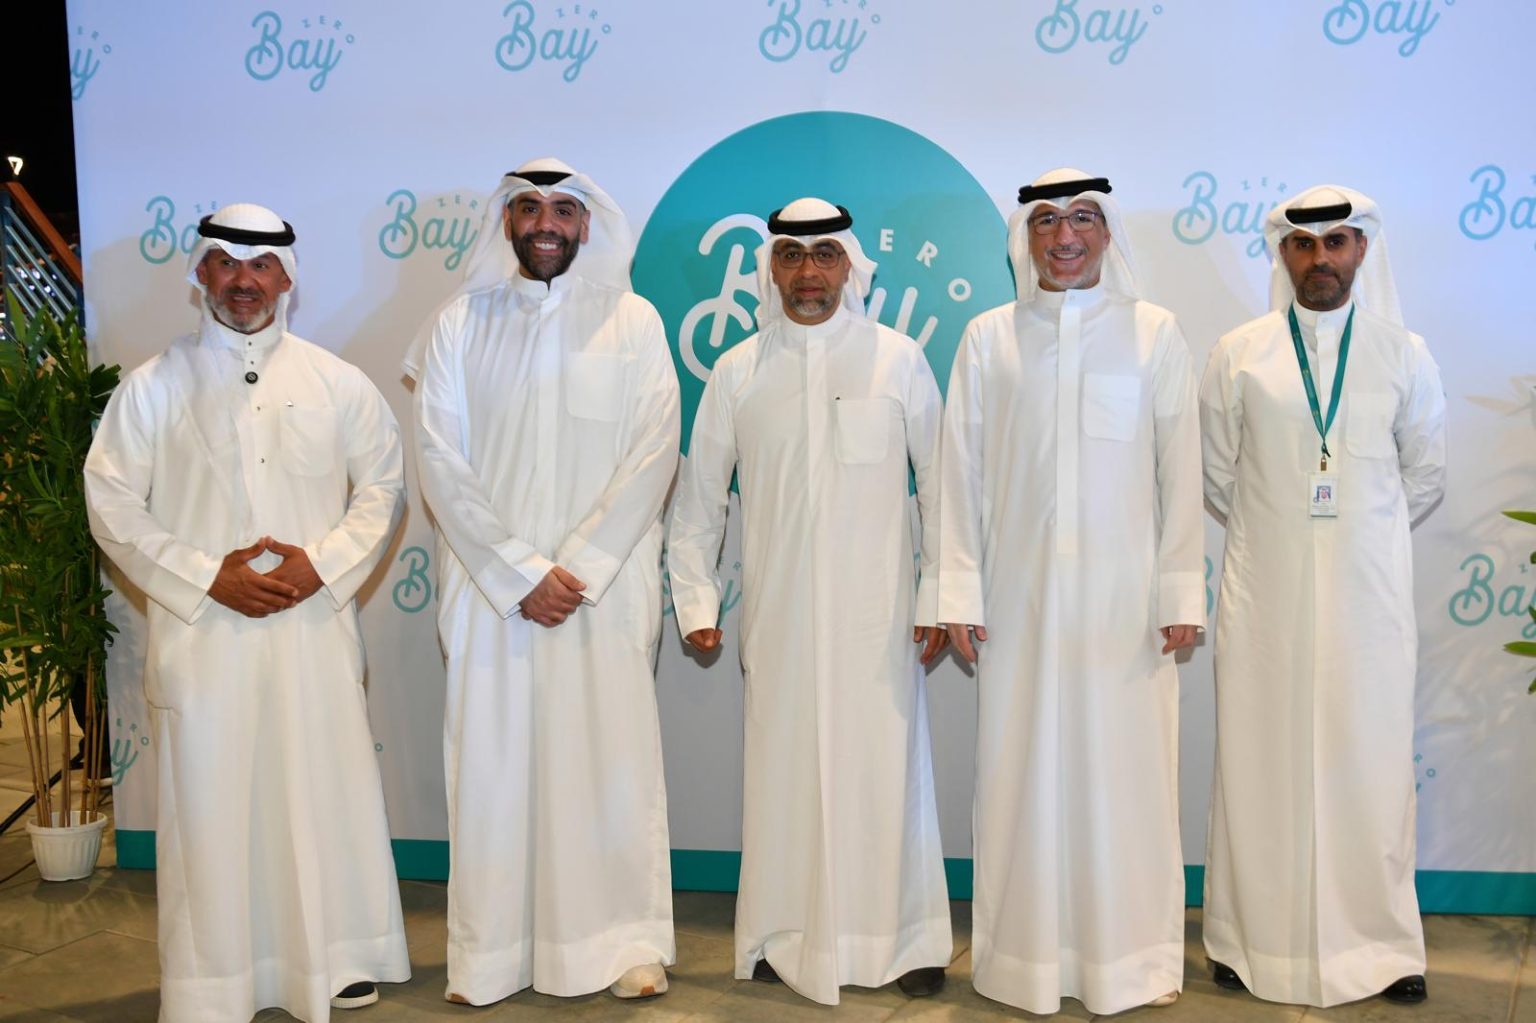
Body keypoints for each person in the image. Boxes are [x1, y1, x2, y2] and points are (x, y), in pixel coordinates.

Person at [84, 203, 410, 1021]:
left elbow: (383, 487)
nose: (243, 280)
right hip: (205, 637)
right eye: (226, 263)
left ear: (286, 277)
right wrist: (206, 577)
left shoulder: (338, 382)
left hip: (311, 627)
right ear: (200, 272)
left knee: (322, 790)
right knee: (213, 804)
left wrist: (320, 564)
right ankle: (215, 984)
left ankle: (337, 958)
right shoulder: (150, 387)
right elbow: (111, 504)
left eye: (260, 265)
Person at [406, 158, 680, 1006]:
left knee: (609, 766)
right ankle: (490, 956)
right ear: (508, 221)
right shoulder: (458, 324)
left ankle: (625, 945)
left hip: (601, 591)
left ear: (587, 224)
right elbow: (439, 459)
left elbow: (654, 451)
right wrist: (519, 572)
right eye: (529, 208)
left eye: (563, 209)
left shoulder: (634, 321)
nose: (546, 223)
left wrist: (578, 568)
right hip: (492, 593)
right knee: (494, 770)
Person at [667, 198, 952, 1006]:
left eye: (825, 255)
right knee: (784, 775)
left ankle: (901, 940)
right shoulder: (737, 370)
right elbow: (698, 501)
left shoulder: (899, 360)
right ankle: (779, 936)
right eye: (792, 256)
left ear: (849, 265)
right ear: (772, 268)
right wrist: (696, 599)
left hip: (879, 617)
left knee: (884, 773)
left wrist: (940, 590)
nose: (808, 273)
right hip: (781, 615)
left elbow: (942, 485)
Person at [938, 169, 1204, 1015]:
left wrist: (1180, 592)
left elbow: (1182, 473)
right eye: (1047, 221)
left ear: (1108, 231)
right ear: (1026, 237)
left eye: (1083, 219)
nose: (1065, 237)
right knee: (1021, 776)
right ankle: (1023, 961)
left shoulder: (1155, 333)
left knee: (1126, 779)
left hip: (1127, 608)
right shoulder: (988, 338)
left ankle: (1131, 961)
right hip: (1016, 602)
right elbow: (957, 473)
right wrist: (957, 590)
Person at [1199, 185, 1446, 1008]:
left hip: (1368, 601)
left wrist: (1354, 539)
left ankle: (1383, 947)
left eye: (1336, 242)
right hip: (1264, 596)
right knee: (1258, 760)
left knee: (1370, 765)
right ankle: (1245, 941)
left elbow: (1425, 474)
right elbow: (1218, 474)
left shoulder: (1403, 352)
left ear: (1362, 250)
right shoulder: (1239, 352)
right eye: (1304, 244)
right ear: (1284, 253)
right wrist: (1286, 534)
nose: (1321, 258)